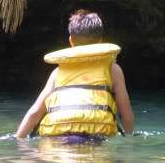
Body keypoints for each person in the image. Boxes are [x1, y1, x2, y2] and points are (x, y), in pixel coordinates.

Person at [16, 10, 134, 140]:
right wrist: (129, 137)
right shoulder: (113, 69)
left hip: (57, 136)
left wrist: (18, 139)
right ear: (100, 42)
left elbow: (35, 112)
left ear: (71, 40)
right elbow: (126, 112)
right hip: (95, 136)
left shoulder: (58, 72)